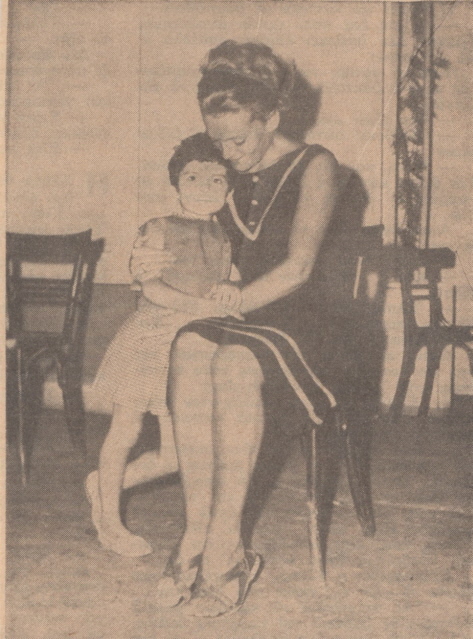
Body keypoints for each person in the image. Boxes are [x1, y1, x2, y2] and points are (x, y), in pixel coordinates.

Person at [128, 40, 353, 617]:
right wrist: (145, 262)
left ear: (272, 118)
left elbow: (300, 268)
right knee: (188, 347)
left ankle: (229, 551)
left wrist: (227, 308)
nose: (229, 154)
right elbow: (187, 236)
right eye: (219, 141)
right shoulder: (219, 164)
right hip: (236, 314)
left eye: (241, 139)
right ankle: (195, 537)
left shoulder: (317, 165)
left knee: (230, 360)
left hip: (307, 323)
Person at [85, 133, 242, 557]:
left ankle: (103, 485)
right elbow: (151, 287)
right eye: (192, 178)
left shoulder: (225, 239)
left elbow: (231, 280)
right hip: (150, 338)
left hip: (189, 348)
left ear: (229, 190)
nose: (204, 189)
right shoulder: (159, 227)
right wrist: (199, 306)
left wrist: (229, 286)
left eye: (216, 181)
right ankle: (111, 522)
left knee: (176, 455)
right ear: (175, 184)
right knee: (126, 430)